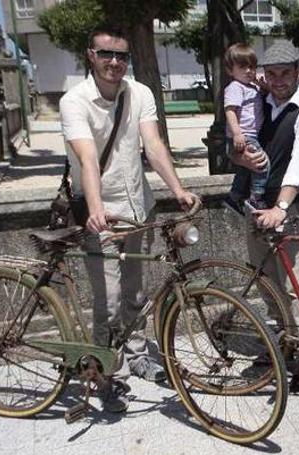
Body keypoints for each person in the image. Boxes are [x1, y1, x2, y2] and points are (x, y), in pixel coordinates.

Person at [59, 25, 197, 412]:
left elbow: (153, 145)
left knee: (137, 293)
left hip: (140, 208)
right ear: (91, 54)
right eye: (106, 54)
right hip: (101, 215)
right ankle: (104, 371)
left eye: (122, 55)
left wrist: (178, 189)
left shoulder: (140, 93)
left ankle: (136, 353)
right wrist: (96, 204)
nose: (115, 62)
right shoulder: (74, 101)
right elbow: (87, 157)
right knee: (109, 300)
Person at [235, 40, 299, 391]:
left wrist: (281, 207)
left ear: (298, 74)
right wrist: (239, 157)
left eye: (286, 73)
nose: (279, 80)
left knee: (293, 285)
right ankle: (283, 341)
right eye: (272, 74)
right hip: (255, 206)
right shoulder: (256, 105)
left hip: (287, 207)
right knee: (264, 279)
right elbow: (237, 147)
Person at [221, 42, 267, 213]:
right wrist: (237, 134)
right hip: (245, 134)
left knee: (245, 169)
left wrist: (262, 86)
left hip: (250, 134)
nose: (249, 71)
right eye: (242, 67)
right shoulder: (235, 87)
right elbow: (230, 111)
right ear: (230, 70)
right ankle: (256, 197)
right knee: (261, 163)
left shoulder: (251, 87)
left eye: (252, 67)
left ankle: (234, 198)